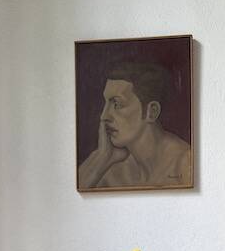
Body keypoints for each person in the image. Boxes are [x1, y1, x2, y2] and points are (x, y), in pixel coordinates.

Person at [78, 61, 193, 190]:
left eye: (117, 104)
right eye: (106, 103)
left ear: (152, 112)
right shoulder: (108, 164)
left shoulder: (186, 163)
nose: (104, 116)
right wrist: (102, 157)